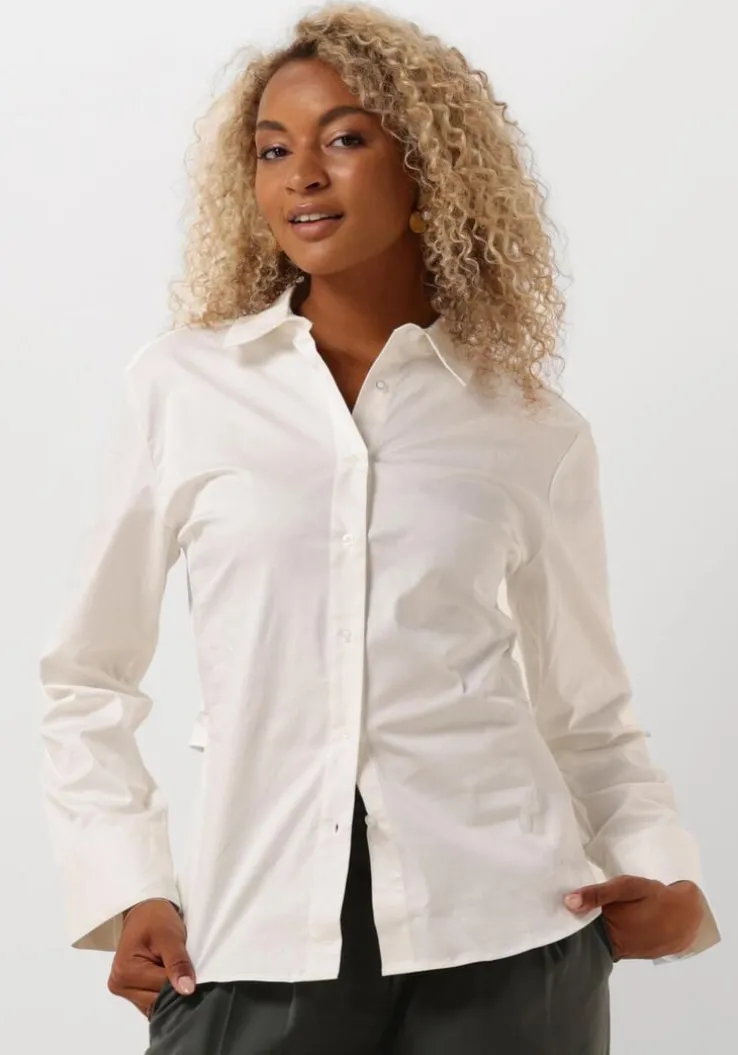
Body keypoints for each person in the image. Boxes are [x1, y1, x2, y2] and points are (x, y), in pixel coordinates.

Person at [38, 3, 720, 1053]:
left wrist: (668, 873)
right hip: (254, 931)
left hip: (516, 936)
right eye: (274, 149)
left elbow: (587, 710)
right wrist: (129, 883)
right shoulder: (183, 389)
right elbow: (87, 677)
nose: (302, 175)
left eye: (345, 139)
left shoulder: (530, 426)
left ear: (427, 172)